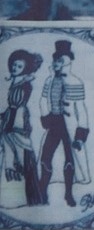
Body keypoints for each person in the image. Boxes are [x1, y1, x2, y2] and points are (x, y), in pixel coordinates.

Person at [39, 39, 89, 207]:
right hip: (54, 122)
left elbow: (81, 109)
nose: (57, 63)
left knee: (69, 158)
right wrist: (45, 118)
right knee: (46, 156)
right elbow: (43, 100)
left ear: (68, 61)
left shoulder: (76, 82)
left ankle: (68, 194)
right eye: (56, 59)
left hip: (69, 126)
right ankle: (42, 191)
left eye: (61, 60)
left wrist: (80, 135)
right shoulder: (49, 80)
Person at [0, 49, 43, 208]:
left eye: (19, 66)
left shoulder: (24, 85)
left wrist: (10, 124)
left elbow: (17, 106)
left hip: (18, 119)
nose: (15, 68)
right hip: (11, 116)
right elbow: (11, 106)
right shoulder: (16, 82)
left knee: (20, 152)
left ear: (25, 69)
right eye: (14, 65)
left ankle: (24, 198)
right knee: (10, 151)